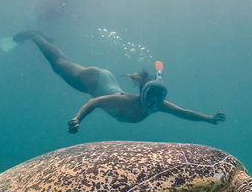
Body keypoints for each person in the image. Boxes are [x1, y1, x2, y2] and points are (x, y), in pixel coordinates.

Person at [12, 30, 226, 133]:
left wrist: (208, 119)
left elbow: (183, 113)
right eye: (150, 97)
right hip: (94, 80)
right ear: (142, 94)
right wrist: (78, 119)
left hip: (107, 81)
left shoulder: (158, 104)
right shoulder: (123, 101)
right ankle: (35, 36)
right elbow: (94, 102)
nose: (154, 102)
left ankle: (41, 39)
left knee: (61, 64)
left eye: (159, 98)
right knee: (59, 64)